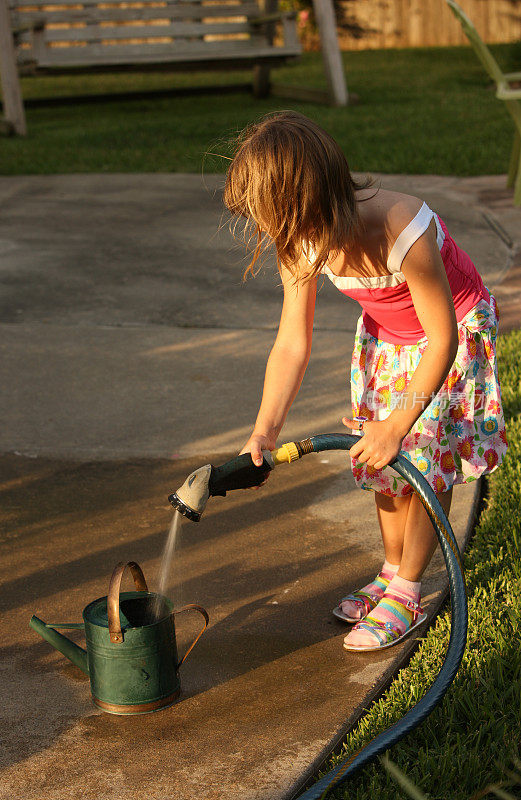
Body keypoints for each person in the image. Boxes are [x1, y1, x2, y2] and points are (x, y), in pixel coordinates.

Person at [222, 110, 508, 652]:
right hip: (385, 338)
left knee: (423, 455)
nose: (271, 233)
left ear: (313, 200)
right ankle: (392, 567)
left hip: (449, 334)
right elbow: (291, 342)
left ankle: (409, 589)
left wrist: (401, 420)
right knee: (375, 456)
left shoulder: (402, 225)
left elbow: (442, 337)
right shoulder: (298, 239)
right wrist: (264, 428)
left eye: (277, 218)